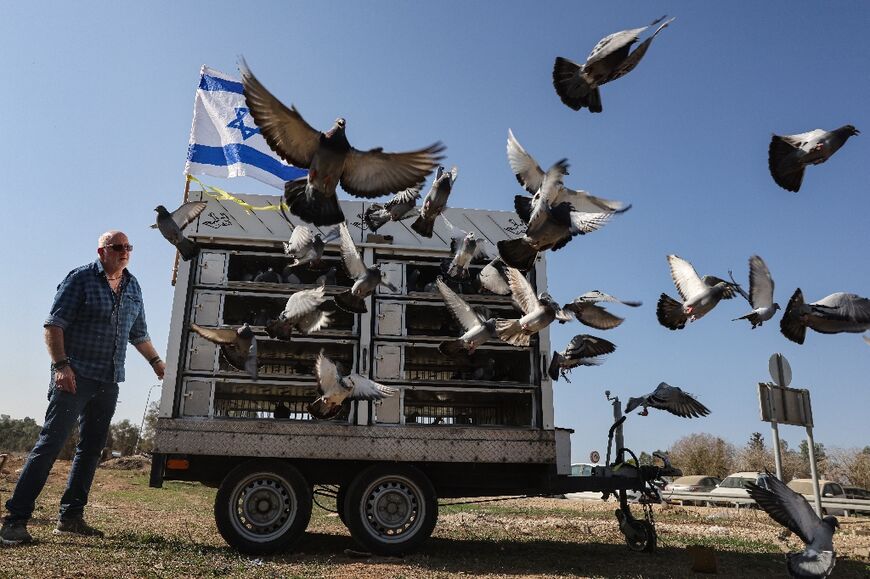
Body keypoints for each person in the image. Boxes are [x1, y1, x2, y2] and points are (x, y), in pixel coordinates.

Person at [0, 231, 165, 545]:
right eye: (117, 247)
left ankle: (71, 516)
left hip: (109, 378)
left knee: (91, 450)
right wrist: (61, 366)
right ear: (101, 251)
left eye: (128, 247)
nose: (124, 252)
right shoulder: (80, 279)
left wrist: (157, 363)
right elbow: (54, 324)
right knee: (49, 445)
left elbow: (139, 332)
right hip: (75, 376)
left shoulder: (133, 286)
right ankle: (14, 521)